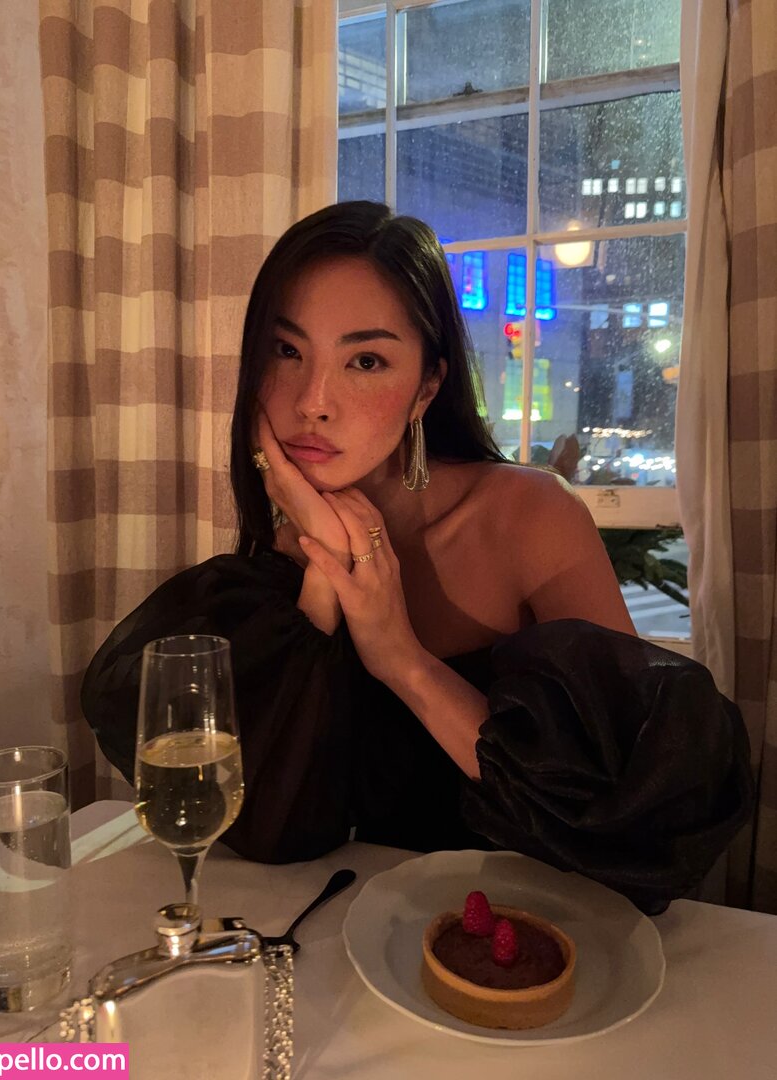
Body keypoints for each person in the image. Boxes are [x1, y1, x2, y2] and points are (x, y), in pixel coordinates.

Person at [82, 201, 752, 914]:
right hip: (352, 928)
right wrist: (323, 568)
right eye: (287, 351)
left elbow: (631, 813)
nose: (313, 402)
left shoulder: (528, 518)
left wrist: (401, 659)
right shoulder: (279, 560)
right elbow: (274, 827)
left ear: (425, 388)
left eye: (365, 361)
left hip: (537, 931)